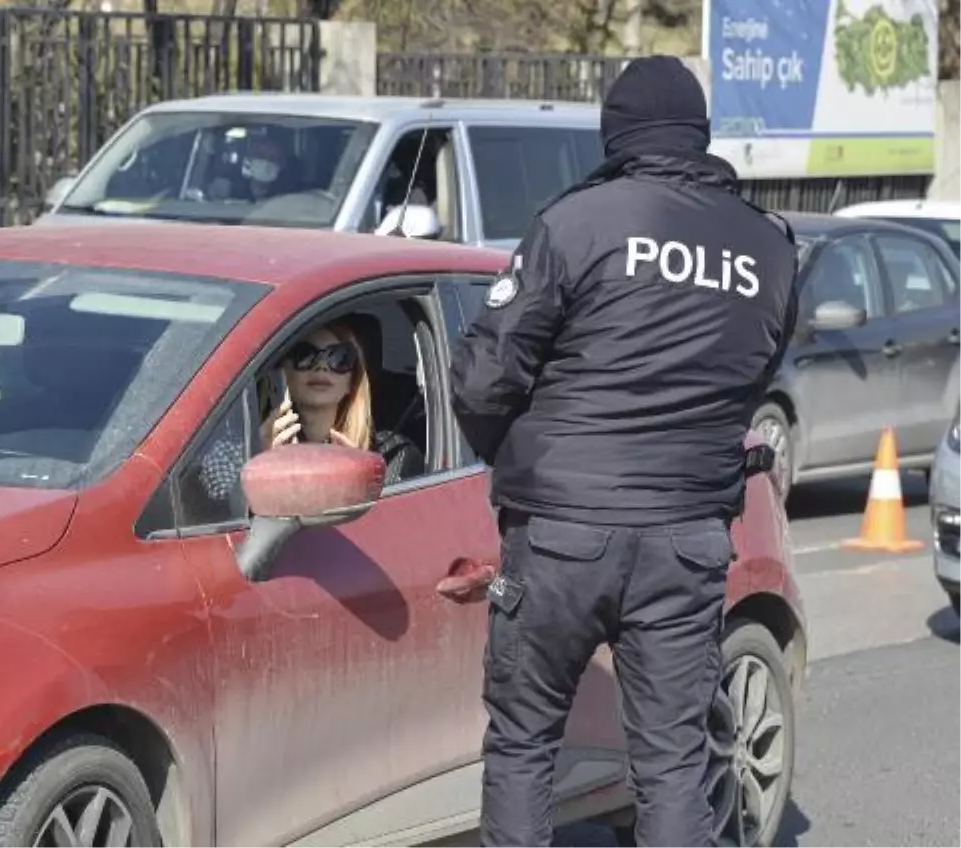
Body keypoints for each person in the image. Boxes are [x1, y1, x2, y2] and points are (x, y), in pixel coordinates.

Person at [448, 56, 800, 848]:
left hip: (561, 535)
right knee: (674, 762)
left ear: (617, 135)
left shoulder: (577, 223)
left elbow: (483, 377)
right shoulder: (768, 248)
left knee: (524, 741)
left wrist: (516, 457)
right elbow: (752, 379)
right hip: (687, 538)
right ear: (700, 135)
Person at [197, 320, 425, 504]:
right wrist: (257, 457)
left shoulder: (390, 454)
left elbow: (392, 535)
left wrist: (357, 481)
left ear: (351, 382)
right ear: (280, 374)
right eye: (304, 355)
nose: (322, 367)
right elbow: (211, 508)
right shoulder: (236, 448)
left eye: (339, 358)